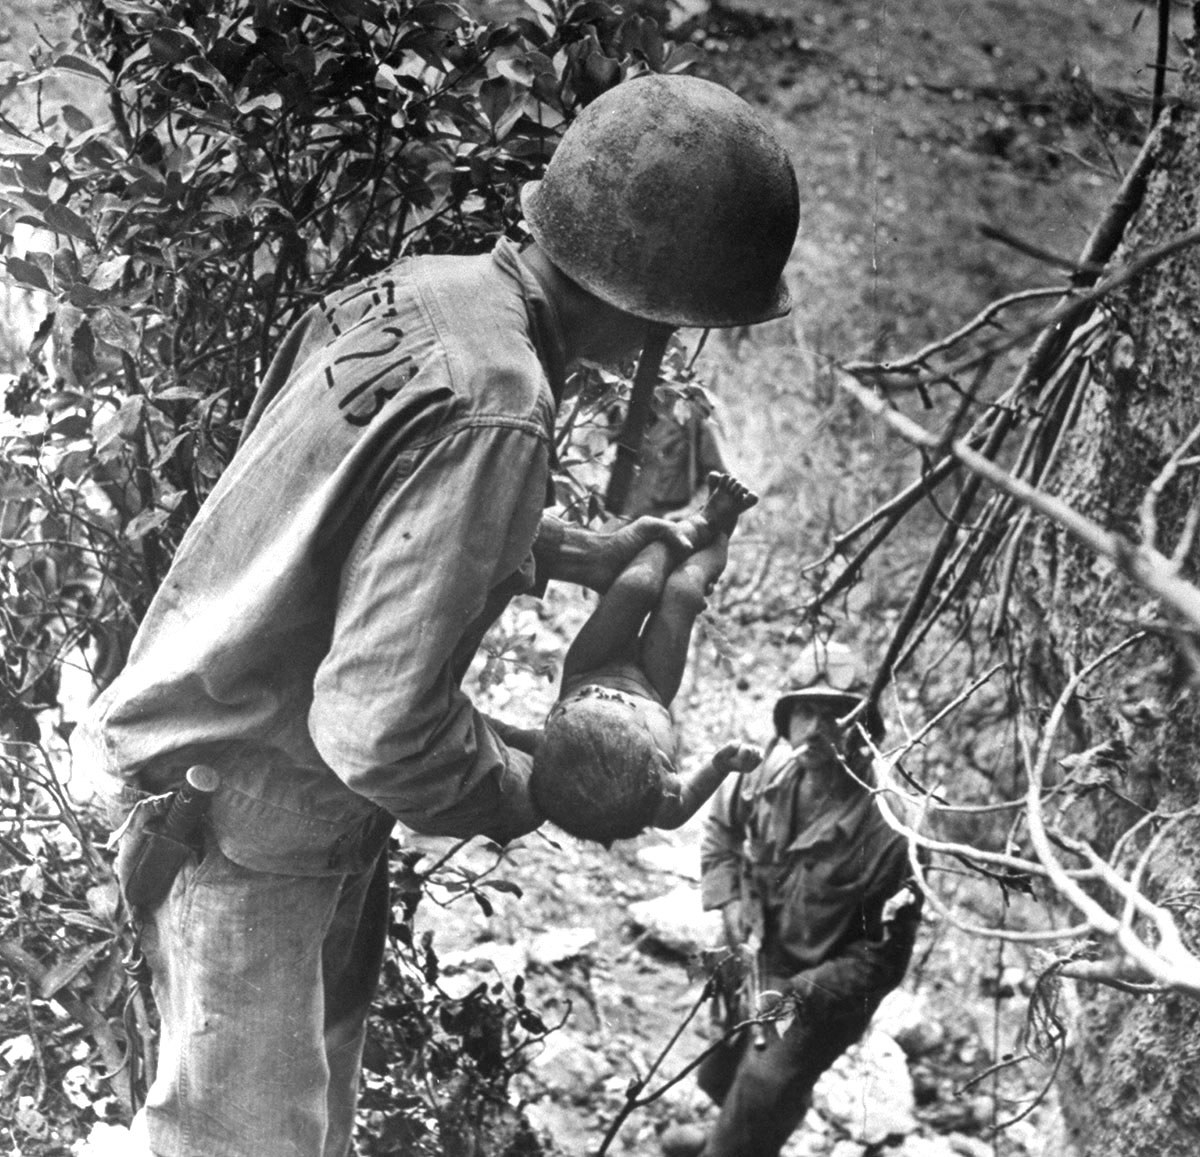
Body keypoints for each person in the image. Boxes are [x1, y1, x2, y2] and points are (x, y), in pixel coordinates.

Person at [70, 72, 800, 1157]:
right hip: (249, 827)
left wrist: (567, 547)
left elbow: (348, 508)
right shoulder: (502, 402)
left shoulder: (419, 293)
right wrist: (529, 782)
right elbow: (373, 724)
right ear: (654, 310)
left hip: (248, 783)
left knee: (306, 1125)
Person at [661, 639, 922, 1157]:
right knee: (721, 1066)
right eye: (806, 710)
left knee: (766, 1082)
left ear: (865, 728)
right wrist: (730, 901)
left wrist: (800, 994)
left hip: (824, 989)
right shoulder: (761, 775)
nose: (819, 729)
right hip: (761, 955)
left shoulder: (890, 826)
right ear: (786, 720)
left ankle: (730, 1149)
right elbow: (721, 832)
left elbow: (884, 958)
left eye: (838, 713)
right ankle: (728, 1136)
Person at [532, 472, 761, 844]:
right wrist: (722, 765)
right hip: (653, 686)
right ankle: (721, 529)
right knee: (683, 592)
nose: (615, 700)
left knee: (637, 585)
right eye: (635, 727)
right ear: (653, 770)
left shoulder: (555, 772)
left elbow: (511, 737)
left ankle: (698, 523)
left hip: (590, 668)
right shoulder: (658, 800)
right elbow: (684, 803)